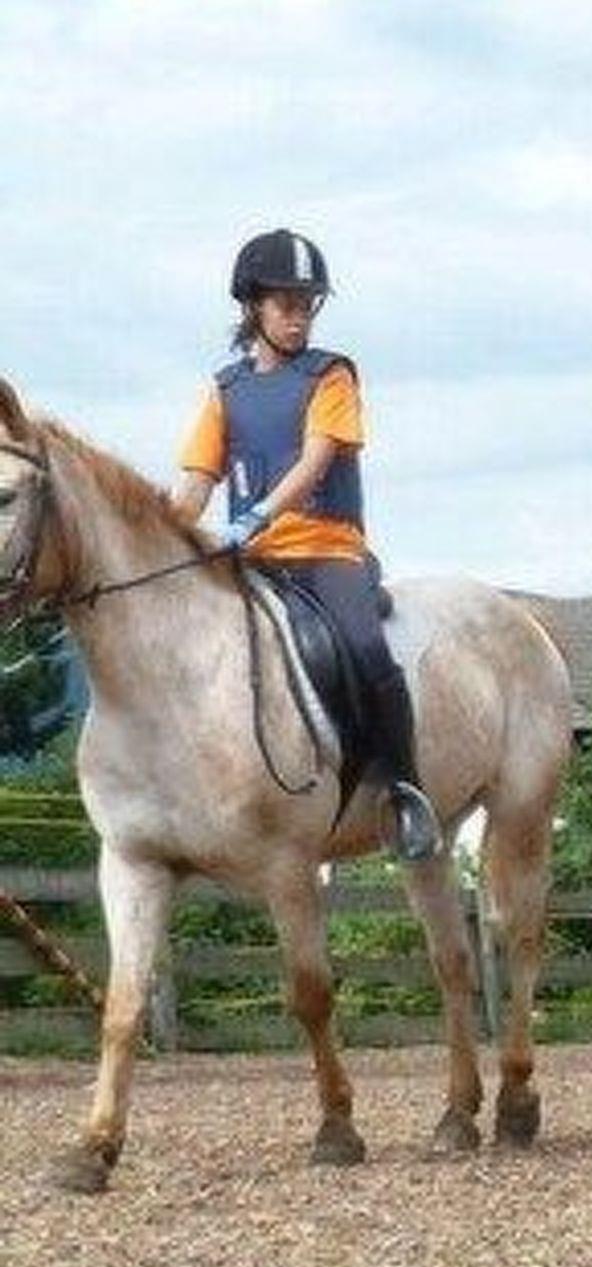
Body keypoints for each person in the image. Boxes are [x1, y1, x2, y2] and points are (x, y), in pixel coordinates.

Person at [170, 228, 441, 862]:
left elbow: (316, 461)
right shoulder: (225, 390)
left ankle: (404, 789)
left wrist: (257, 515)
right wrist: (165, 541)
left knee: (366, 647)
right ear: (253, 307)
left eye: (307, 305)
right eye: (285, 304)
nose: (298, 317)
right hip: (253, 560)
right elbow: (196, 482)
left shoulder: (331, 376)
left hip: (326, 552)